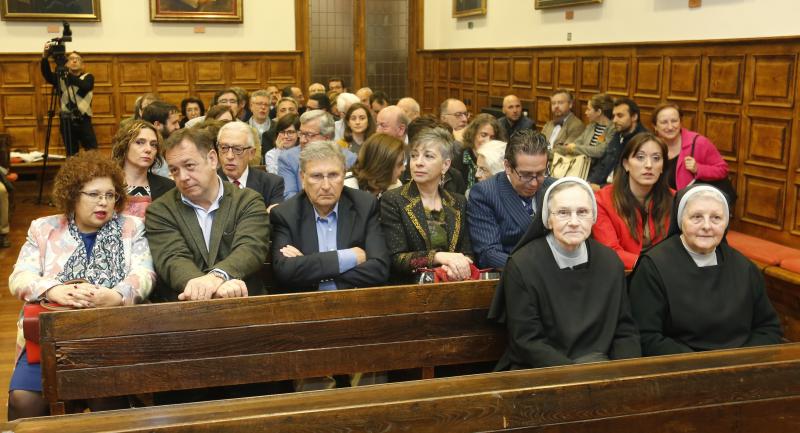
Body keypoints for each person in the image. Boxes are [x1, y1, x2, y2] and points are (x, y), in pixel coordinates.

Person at [8, 152, 155, 419]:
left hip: (108, 338)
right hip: (51, 340)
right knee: (23, 402)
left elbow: (144, 274)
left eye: (110, 195)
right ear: (73, 195)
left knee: (105, 400)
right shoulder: (43, 228)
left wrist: (118, 295)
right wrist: (53, 290)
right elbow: (20, 277)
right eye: (94, 194)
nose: (104, 202)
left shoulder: (131, 227)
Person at [488, 177, 641, 369]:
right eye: (563, 213)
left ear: (594, 217)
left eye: (583, 212)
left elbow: (624, 330)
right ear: (548, 220)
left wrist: (625, 372)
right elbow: (527, 341)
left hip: (601, 369)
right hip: (541, 372)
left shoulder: (610, 261)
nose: (574, 222)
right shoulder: (523, 265)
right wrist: (576, 377)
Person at [629, 185, 783, 356]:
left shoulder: (744, 267)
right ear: (681, 220)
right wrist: (700, 365)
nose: (707, 226)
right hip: (682, 368)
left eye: (716, 218)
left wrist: (741, 360)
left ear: (726, 223)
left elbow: (768, 328)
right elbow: (646, 336)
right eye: (696, 217)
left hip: (741, 365)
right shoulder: (654, 266)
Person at [145, 127, 269, 302]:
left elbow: (250, 247)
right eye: (174, 170)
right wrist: (208, 288)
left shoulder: (247, 200)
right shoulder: (160, 210)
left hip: (243, 302)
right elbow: (173, 258)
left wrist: (218, 276)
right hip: (185, 309)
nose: (183, 177)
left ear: (212, 159)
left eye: (189, 166)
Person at [270, 141, 390, 293]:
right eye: (317, 176)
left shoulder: (364, 205)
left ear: (344, 174)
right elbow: (285, 271)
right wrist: (349, 257)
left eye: (333, 175)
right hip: (306, 306)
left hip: (355, 302)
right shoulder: (286, 214)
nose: (326, 186)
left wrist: (309, 268)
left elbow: (379, 268)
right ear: (302, 178)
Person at [380, 127, 473, 283]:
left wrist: (453, 268)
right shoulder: (393, 199)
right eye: (414, 156)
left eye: (428, 156)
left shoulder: (458, 202)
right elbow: (397, 258)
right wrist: (439, 257)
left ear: (445, 165)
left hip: (453, 283)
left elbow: (468, 253)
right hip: (410, 289)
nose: (418, 163)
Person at [468, 130, 553, 269]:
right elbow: (489, 254)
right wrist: (538, 268)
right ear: (507, 166)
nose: (534, 183)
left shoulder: (555, 189)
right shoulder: (485, 194)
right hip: (515, 277)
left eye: (540, 173)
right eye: (525, 175)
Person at [593, 132, 673, 270]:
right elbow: (610, 251)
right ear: (626, 164)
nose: (649, 165)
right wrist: (652, 267)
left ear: (662, 167)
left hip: (665, 275)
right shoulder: (602, 200)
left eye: (656, 158)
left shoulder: (675, 199)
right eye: (640, 157)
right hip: (621, 276)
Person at [279, 110, 356, 199]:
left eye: (309, 135)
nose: (302, 140)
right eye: (301, 133)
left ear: (327, 137)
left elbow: (353, 196)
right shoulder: (288, 159)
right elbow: (289, 197)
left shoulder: (349, 159)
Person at [652, 102, 728, 190]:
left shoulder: (699, 143)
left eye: (674, 121)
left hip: (692, 201)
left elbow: (723, 170)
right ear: (655, 126)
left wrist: (698, 169)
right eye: (664, 122)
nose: (670, 127)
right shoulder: (651, 146)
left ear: (680, 122)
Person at [110, 119, 175, 218]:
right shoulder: (107, 183)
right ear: (124, 146)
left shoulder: (169, 187)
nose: (148, 149)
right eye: (140, 142)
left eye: (153, 145)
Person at [40, 44, 97, 155]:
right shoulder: (59, 79)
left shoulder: (88, 77)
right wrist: (44, 58)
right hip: (66, 120)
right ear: (66, 62)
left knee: (92, 150)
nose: (74, 61)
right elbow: (47, 74)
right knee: (71, 153)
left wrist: (66, 73)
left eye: (77, 59)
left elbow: (85, 86)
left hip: (83, 119)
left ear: (83, 65)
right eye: (71, 59)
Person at [217, 121, 284, 211]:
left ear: (251, 153)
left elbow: (276, 222)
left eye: (237, 149)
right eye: (224, 148)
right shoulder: (207, 183)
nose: (229, 156)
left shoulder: (272, 184)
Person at [587, 97, 648, 187]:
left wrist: (601, 188)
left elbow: (632, 182)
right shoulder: (618, 134)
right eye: (614, 116)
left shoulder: (644, 141)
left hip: (620, 193)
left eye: (620, 116)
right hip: (603, 187)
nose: (614, 120)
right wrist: (589, 182)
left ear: (634, 117)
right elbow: (603, 164)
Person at [555, 93, 616, 166]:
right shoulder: (591, 126)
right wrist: (569, 146)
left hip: (599, 169)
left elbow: (600, 151)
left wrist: (575, 148)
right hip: (582, 165)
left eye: (588, 109)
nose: (586, 112)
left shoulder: (612, 129)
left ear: (598, 112)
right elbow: (577, 142)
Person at [453, 113, 507, 189]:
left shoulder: (501, 160)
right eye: (483, 135)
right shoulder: (458, 161)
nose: (488, 141)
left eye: (492, 137)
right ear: (473, 134)